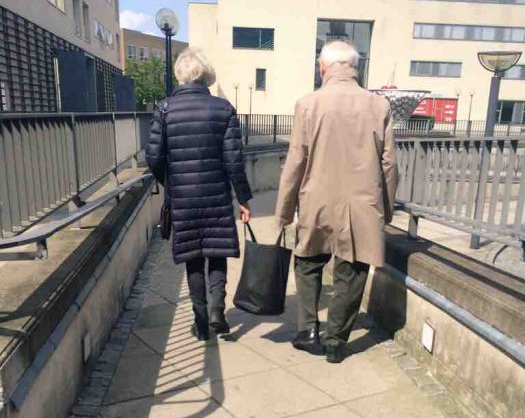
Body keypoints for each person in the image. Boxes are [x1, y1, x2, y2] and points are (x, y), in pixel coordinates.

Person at [275, 40, 398, 364]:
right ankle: (335, 341)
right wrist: (386, 208)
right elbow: (388, 164)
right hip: (361, 204)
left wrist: (284, 211)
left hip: (317, 200)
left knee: (307, 262)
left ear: (323, 67)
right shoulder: (379, 105)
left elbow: (296, 161)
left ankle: (308, 330)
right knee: (353, 270)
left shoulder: (308, 104)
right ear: (355, 67)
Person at [146, 47, 252, 341]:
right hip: (217, 194)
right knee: (217, 254)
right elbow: (234, 160)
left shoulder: (165, 109)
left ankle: (201, 321)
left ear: (181, 74)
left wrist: (171, 182)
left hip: (183, 198)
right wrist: (243, 199)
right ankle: (218, 309)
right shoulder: (224, 109)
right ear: (206, 75)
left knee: (193, 257)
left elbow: (153, 156)